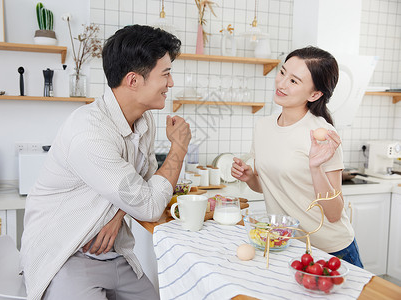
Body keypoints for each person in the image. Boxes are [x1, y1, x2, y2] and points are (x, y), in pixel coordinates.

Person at [20, 25, 191, 300]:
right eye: (166, 74)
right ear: (133, 80)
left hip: (114, 253)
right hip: (68, 255)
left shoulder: (144, 121)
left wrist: (118, 214)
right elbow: (148, 205)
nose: (171, 84)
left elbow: (144, 184)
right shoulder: (89, 133)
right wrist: (179, 148)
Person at [231, 46, 363, 268]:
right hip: (288, 245)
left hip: (330, 251)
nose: (281, 84)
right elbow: (269, 187)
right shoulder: (263, 126)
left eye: (294, 81)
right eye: (282, 73)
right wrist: (250, 177)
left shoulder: (321, 135)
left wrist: (316, 168)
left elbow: (333, 213)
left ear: (315, 94)